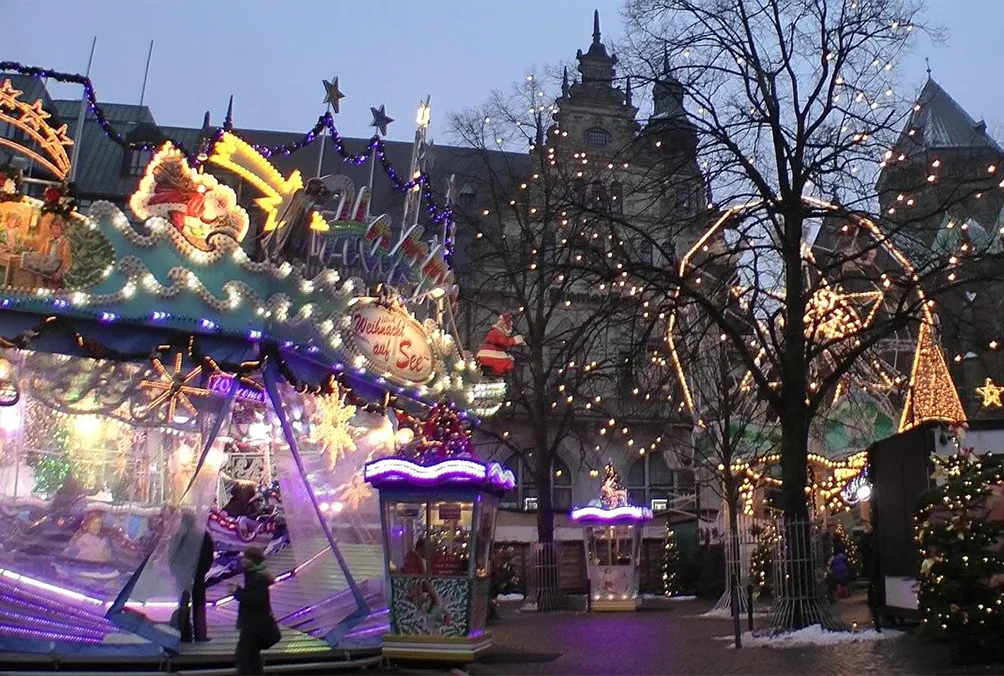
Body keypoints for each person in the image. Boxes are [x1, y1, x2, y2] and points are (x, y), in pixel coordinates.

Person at [233, 547, 275, 676]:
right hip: (255, 623)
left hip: (253, 624)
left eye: (247, 558)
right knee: (253, 657)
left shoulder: (257, 578)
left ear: (254, 560)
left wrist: (237, 592)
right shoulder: (254, 575)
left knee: (242, 655)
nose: (243, 560)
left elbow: (256, 599)